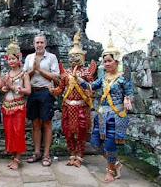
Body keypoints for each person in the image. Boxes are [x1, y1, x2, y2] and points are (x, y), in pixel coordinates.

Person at [75, 33, 133, 182]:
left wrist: (127, 99)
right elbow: (90, 86)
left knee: (109, 144)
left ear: (116, 61)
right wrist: (78, 78)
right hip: (102, 116)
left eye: (109, 61)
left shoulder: (123, 77)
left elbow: (129, 92)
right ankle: (116, 164)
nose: (106, 64)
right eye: (105, 61)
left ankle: (109, 171)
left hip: (116, 115)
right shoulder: (103, 78)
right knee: (94, 142)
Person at [49, 29, 96, 167]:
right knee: (68, 132)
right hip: (68, 107)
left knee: (81, 132)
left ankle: (80, 156)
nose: (73, 59)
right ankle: (72, 154)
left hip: (81, 106)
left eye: (76, 56)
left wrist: (90, 94)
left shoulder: (87, 72)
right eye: (72, 56)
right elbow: (60, 89)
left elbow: (91, 88)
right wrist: (53, 91)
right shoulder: (65, 73)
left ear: (81, 57)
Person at [23, 34, 59, 167]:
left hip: (45, 91)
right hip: (32, 91)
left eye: (41, 42)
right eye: (37, 42)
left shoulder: (51, 57)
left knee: (47, 123)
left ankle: (46, 154)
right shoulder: (29, 58)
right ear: (33, 44)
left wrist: (39, 69)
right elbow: (24, 75)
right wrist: (33, 69)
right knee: (35, 123)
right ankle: (37, 152)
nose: (39, 45)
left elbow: (55, 77)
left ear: (45, 44)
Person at [0, 41, 31, 169]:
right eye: (10, 59)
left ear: (19, 59)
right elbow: (2, 90)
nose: (11, 61)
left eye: (14, 58)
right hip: (7, 105)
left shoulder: (24, 74)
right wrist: (6, 87)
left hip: (19, 106)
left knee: (18, 131)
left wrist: (13, 87)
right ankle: (13, 156)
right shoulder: (6, 74)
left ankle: (18, 158)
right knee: (9, 132)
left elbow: (28, 91)